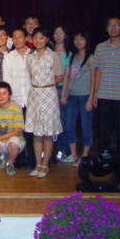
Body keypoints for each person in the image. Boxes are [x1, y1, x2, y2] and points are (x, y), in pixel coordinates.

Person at [92, 16, 120, 178]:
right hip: (103, 96)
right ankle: (104, 165)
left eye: (117, 25)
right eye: (110, 25)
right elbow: (97, 73)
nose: (113, 28)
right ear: (106, 29)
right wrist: (95, 95)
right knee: (103, 134)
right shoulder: (100, 47)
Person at [25, 27, 64, 178]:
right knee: (37, 133)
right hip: (34, 94)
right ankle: (38, 164)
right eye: (35, 38)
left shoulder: (53, 55)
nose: (38, 41)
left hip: (49, 95)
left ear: (47, 39)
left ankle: (45, 164)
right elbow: (30, 75)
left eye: (41, 38)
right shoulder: (30, 56)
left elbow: (59, 76)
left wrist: (46, 85)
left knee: (48, 133)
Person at [60, 31, 95, 165]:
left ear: (86, 40)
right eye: (76, 39)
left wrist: (91, 99)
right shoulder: (72, 57)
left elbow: (94, 79)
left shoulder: (91, 57)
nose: (78, 42)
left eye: (81, 39)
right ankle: (74, 154)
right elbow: (67, 78)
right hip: (72, 97)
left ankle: (84, 156)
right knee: (68, 126)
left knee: (86, 127)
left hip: (85, 96)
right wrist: (64, 95)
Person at [2, 28, 34, 168]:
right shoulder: (8, 57)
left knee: (31, 132)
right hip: (16, 101)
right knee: (17, 132)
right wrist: (9, 101)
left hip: (32, 100)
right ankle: (18, 160)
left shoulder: (32, 55)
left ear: (26, 38)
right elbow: (7, 80)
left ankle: (32, 161)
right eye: (14, 37)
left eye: (20, 37)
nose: (17, 40)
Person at [52, 25, 72, 160]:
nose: (58, 36)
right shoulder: (49, 51)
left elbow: (68, 76)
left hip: (63, 88)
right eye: (56, 33)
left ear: (65, 35)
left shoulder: (69, 54)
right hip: (50, 89)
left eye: (61, 33)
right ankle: (49, 150)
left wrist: (64, 94)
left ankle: (62, 150)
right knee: (51, 121)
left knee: (62, 122)